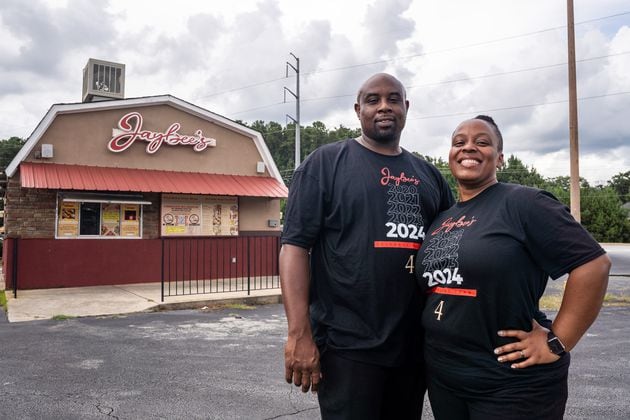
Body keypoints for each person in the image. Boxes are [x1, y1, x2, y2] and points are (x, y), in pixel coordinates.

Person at [280, 73, 454, 419]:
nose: (384, 106)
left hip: (413, 347)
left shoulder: (429, 176)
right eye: (373, 100)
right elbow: (295, 248)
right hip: (347, 347)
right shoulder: (325, 164)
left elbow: (454, 252)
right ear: (358, 110)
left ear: (406, 107)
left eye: (393, 99)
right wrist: (299, 333)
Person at [415, 115, 611, 420]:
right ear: (450, 155)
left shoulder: (524, 203)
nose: (469, 148)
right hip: (446, 378)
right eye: (459, 142)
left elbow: (593, 264)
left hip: (511, 383)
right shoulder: (442, 220)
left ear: (500, 158)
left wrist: (558, 341)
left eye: (482, 142)